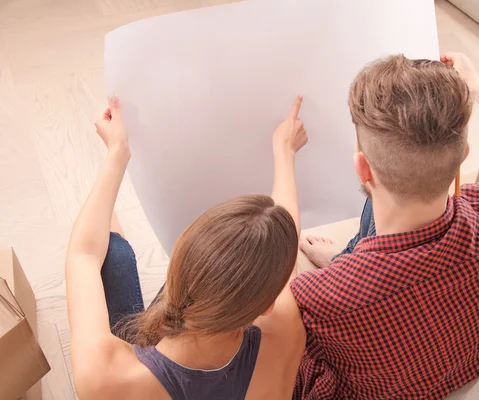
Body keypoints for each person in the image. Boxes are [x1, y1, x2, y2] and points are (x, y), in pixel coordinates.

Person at [292, 53, 479, 399]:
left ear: (362, 169)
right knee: (374, 215)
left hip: (383, 381)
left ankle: (347, 254)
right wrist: (476, 86)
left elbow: (294, 367)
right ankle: (347, 253)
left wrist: (283, 158)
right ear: (464, 154)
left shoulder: (322, 296)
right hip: (464, 360)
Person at [66, 95, 308, 399]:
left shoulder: (109, 378)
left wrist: (117, 153)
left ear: (178, 263)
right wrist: (285, 152)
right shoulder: (285, 333)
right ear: (267, 303)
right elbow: (282, 253)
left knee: (112, 254)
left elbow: (83, 254)